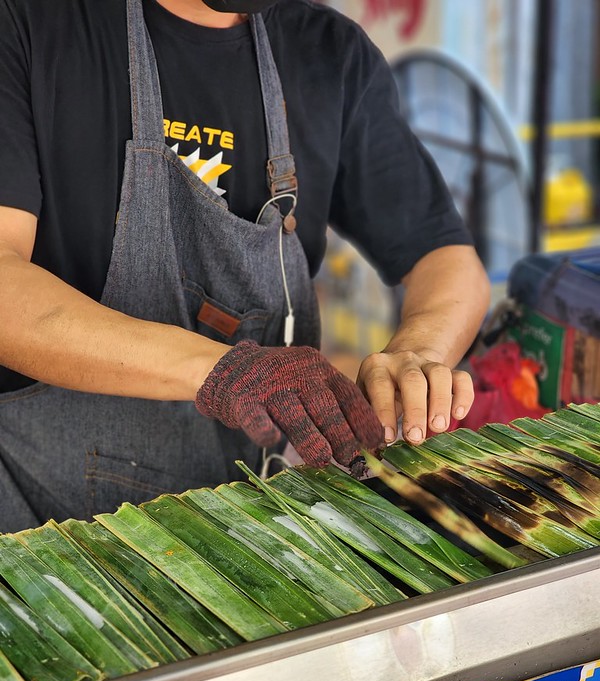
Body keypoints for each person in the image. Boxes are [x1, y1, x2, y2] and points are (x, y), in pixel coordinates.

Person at [0, 0, 490, 532]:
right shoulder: (31, 24)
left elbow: (447, 259)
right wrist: (223, 370)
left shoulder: (329, 53)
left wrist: (417, 353)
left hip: (241, 520)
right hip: (43, 528)